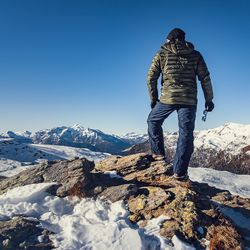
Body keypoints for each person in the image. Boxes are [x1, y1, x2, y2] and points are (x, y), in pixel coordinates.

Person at [147, 28, 214, 181]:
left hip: (167, 99)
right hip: (189, 100)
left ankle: (158, 158)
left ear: (170, 39)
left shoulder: (162, 54)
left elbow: (151, 77)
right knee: (185, 133)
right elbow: (205, 78)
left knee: (153, 121)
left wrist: (153, 98)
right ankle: (180, 173)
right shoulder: (195, 55)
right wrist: (209, 99)